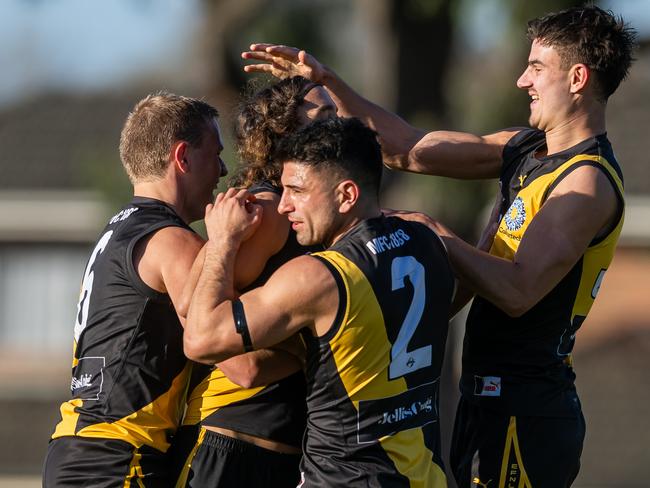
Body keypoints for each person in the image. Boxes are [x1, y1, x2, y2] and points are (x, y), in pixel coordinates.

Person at [241, 5, 637, 487]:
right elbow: (406, 147)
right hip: (485, 396)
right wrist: (330, 80)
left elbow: (517, 292)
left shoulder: (587, 184)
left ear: (577, 77)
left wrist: (435, 233)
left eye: (536, 68)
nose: (521, 80)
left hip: (526, 408)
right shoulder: (525, 147)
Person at [184, 116, 456, 487]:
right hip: (424, 475)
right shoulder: (427, 241)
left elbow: (201, 340)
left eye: (297, 191)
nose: (283, 206)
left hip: (345, 478)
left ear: (346, 195)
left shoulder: (318, 277)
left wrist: (221, 242)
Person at [41, 92, 228, 486]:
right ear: (183, 158)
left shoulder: (117, 232)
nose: (224, 170)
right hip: (120, 456)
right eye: (215, 154)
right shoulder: (173, 241)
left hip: (76, 449)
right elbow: (236, 359)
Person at [171, 75, 337, 488]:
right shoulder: (265, 212)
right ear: (286, 129)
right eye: (326, 114)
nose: (339, 123)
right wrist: (301, 355)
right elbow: (194, 311)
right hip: (230, 445)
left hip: (278, 449)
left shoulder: (302, 210)